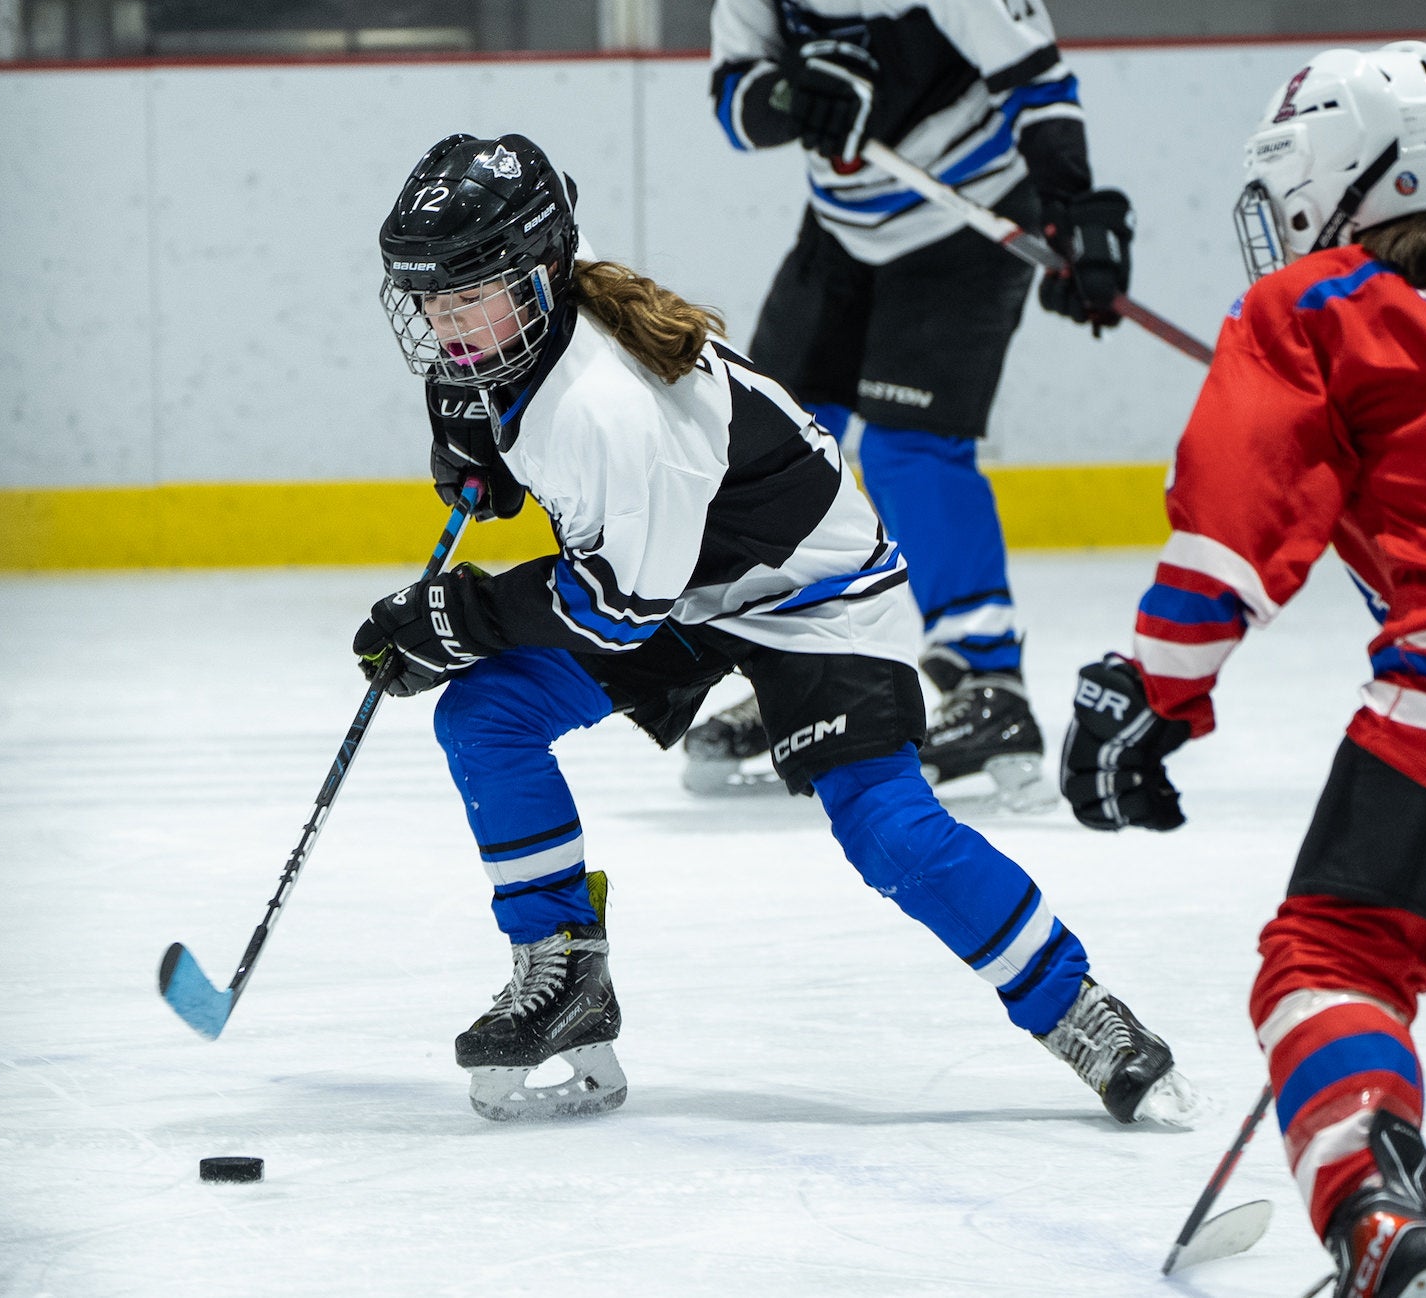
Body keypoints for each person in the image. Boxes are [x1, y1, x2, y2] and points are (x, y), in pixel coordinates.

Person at [356, 130, 1198, 1130]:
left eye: (467, 295)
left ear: (539, 271)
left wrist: (462, 613)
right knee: (485, 719)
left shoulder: (601, 405)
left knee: (886, 830)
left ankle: (1078, 1011)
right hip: (687, 582)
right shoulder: (515, 342)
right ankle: (562, 967)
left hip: (812, 598)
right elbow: (609, 547)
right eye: (431, 301)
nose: (446, 325)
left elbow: (614, 612)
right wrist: (477, 448)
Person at [1060, 41, 1426, 1298]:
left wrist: (1148, 691)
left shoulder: (1310, 308)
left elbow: (1230, 531)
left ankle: (1377, 1233)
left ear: (1326, 182)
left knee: (1333, 958)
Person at [685, 0, 1135, 809]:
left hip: (968, 220)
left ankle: (988, 683)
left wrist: (1072, 207)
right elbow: (733, 100)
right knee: (767, 447)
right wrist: (790, 97)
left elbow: (1035, 77)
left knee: (908, 452)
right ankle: (806, 670)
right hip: (842, 227)